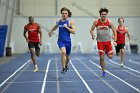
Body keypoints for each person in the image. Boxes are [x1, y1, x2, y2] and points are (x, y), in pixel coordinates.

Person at [90, 8, 117, 77]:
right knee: (102, 57)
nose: (103, 15)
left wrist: (115, 40)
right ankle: (104, 71)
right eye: (102, 14)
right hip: (100, 42)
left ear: (106, 15)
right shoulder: (96, 22)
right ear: (100, 15)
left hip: (108, 42)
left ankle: (104, 52)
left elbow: (114, 31)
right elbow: (91, 29)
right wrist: (92, 35)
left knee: (111, 56)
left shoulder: (109, 22)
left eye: (105, 14)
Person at [48, 7, 76, 74]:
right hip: (60, 41)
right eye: (63, 13)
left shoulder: (70, 22)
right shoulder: (59, 21)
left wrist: (66, 27)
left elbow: (74, 31)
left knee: (68, 57)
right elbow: (56, 26)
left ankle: (66, 65)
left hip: (68, 41)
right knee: (63, 52)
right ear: (61, 14)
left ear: (68, 14)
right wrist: (51, 31)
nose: (64, 15)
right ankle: (63, 68)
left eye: (65, 13)